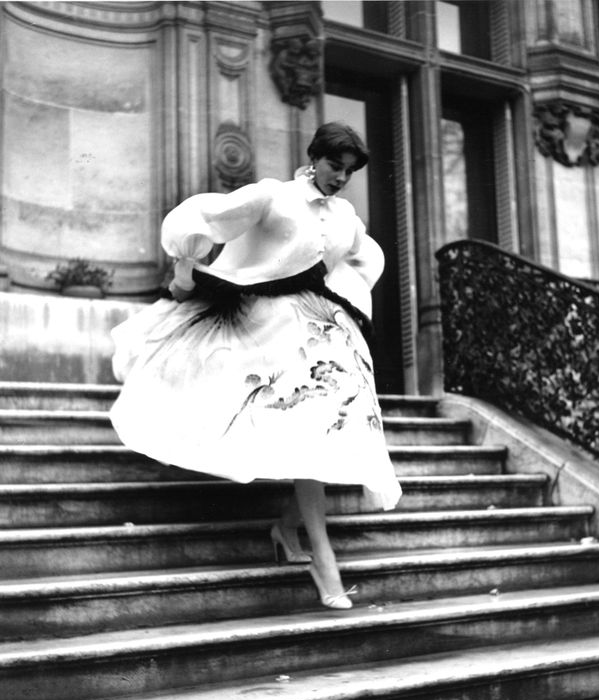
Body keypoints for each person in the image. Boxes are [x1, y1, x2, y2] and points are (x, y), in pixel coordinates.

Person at [109, 122, 402, 610]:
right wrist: (188, 263)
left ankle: (290, 528)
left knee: (333, 429)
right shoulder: (275, 196)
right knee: (308, 429)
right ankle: (321, 558)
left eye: (349, 172)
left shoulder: (347, 216)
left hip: (323, 331)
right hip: (263, 328)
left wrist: (347, 299)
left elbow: (362, 259)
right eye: (335, 166)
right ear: (314, 157)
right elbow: (208, 218)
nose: (340, 178)